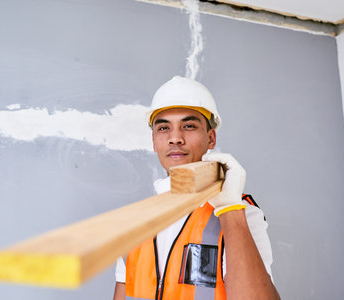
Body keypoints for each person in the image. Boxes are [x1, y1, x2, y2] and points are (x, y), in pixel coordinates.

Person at [113, 76, 280, 299]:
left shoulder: (242, 214)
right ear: (154, 141)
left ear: (211, 138)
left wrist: (230, 209)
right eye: (163, 128)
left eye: (188, 126)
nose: (175, 138)